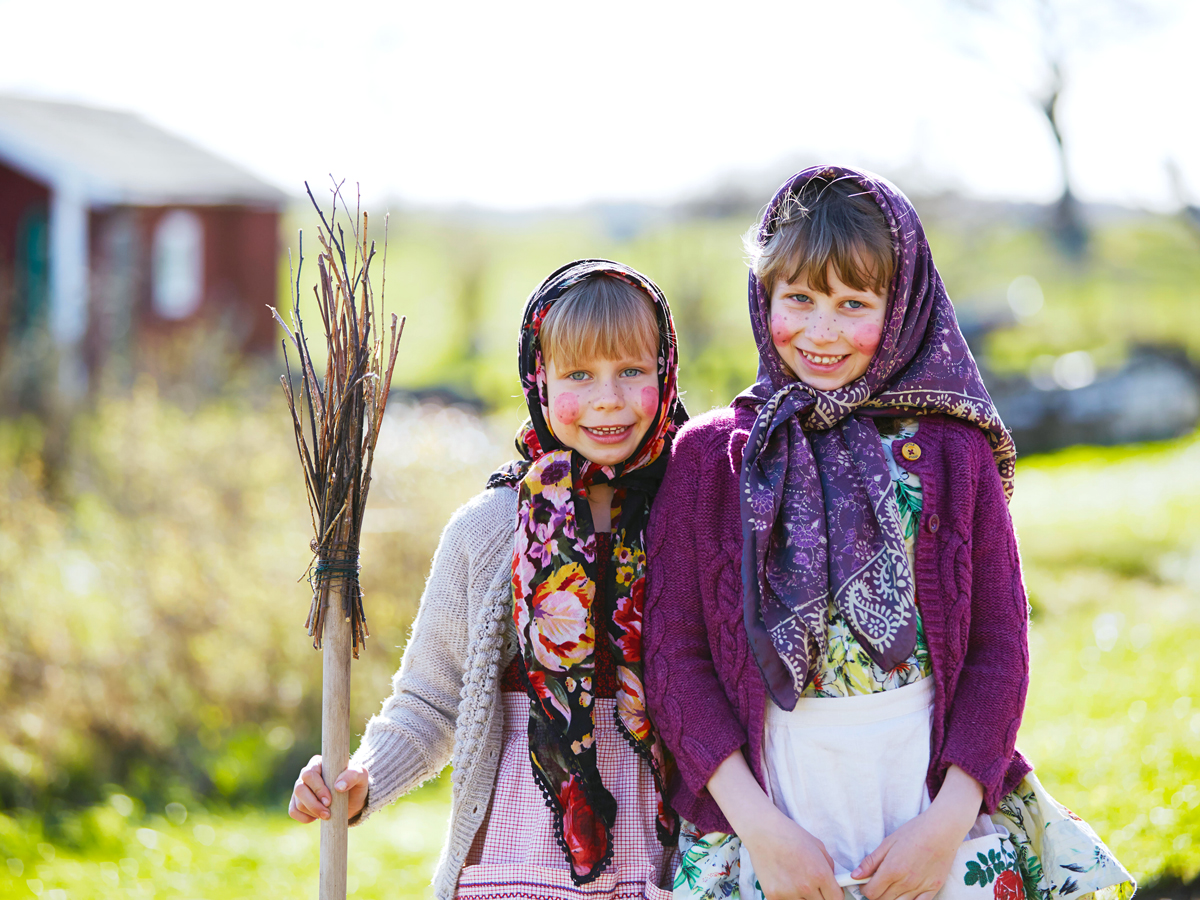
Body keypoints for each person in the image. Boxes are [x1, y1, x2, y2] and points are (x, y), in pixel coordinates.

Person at [642, 167, 1134, 900]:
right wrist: (762, 832)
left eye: (853, 303)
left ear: (900, 305)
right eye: (800, 298)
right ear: (764, 293)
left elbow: (1001, 644)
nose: (822, 330)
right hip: (767, 811)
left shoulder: (951, 451)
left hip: (928, 800)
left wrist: (948, 823)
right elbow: (675, 658)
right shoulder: (712, 457)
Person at [289, 259, 686, 900]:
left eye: (631, 371)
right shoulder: (489, 529)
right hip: (512, 865)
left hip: (657, 871)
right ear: (538, 379)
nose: (608, 398)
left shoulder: (690, 516)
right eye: (579, 375)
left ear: (665, 373)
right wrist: (361, 776)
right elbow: (431, 700)